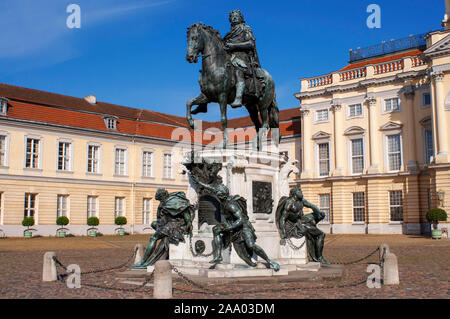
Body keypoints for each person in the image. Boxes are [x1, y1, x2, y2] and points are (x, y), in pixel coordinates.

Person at [191, 174, 280, 271]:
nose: (216, 195)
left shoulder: (231, 205)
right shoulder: (223, 199)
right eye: (216, 193)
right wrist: (199, 182)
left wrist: (229, 227)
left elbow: (241, 219)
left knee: (251, 245)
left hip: (243, 226)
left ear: (222, 195)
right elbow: (211, 188)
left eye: (218, 194)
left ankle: (269, 261)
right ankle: (218, 256)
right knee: (216, 229)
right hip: (233, 226)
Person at [131, 188, 193, 269]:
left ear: (163, 196)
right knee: (154, 225)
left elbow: (185, 212)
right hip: (169, 224)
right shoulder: (165, 202)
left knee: (153, 237)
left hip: (175, 225)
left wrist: (189, 223)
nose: (160, 201)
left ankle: (144, 261)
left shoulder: (173, 202)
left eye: (160, 199)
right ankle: (148, 260)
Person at [275, 186, 329, 264]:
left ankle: (312, 225)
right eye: (299, 192)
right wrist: (283, 232)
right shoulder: (289, 203)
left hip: (300, 220)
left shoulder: (301, 201)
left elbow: (311, 206)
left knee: (320, 215)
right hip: (294, 225)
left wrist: (319, 212)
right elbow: (282, 218)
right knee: (321, 234)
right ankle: (319, 257)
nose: (301, 193)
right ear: (294, 194)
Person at [223, 9, 261, 108]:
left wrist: (234, 46)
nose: (234, 17)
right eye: (232, 16)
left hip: (243, 58)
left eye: (236, 15)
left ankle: (238, 98)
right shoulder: (229, 33)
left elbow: (251, 44)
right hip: (231, 58)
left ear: (241, 18)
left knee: (238, 70)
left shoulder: (245, 29)